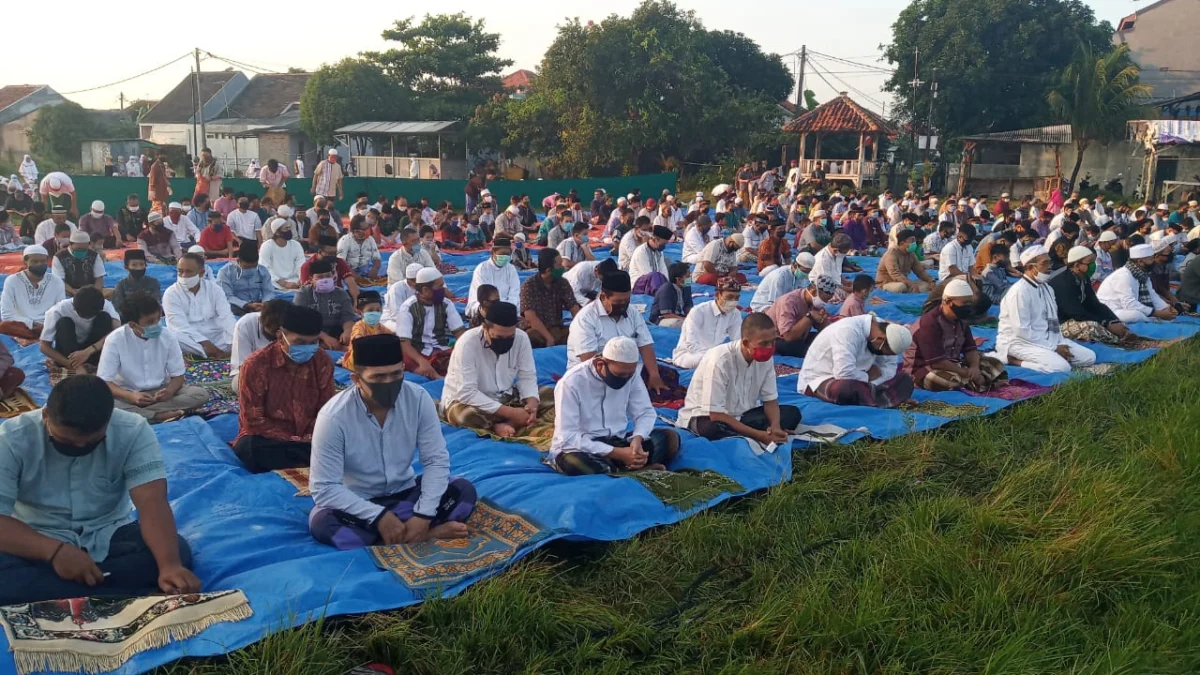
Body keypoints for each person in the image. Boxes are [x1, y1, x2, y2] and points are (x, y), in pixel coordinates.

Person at [0, 375, 200, 605]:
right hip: (35, 538)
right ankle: (119, 594)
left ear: (108, 421)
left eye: (91, 443)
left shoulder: (132, 430)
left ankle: (68, 595)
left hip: (107, 533)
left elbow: (152, 502)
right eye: (65, 442)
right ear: (45, 416)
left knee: (177, 554)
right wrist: (54, 552)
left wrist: (170, 566)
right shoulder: (12, 439)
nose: (79, 448)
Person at [310, 335, 474, 550]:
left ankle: (395, 537)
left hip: (406, 493)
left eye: (396, 374)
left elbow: (435, 460)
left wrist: (423, 515)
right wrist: (379, 517)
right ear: (356, 380)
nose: (389, 383)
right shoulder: (334, 417)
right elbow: (324, 488)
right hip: (359, 502)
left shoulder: (418, 398)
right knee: (322, 522)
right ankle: (425, 535)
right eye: (378, 378)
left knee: (462, 489)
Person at [548, 336, 680, 476]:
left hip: (618, 441)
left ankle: (621, 469)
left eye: (630, 374)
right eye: (620, 374)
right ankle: (629, 471)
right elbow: (568, 437)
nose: (625, 379)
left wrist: (637, 439)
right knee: (575, 463)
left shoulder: (631, 375)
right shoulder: (571, 383)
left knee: (669, 438)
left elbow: (645, 412)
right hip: (583, 447)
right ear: (600, 364)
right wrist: (616, 453)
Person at [234, 305, 336, 473]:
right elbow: (252, 420)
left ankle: (304, 459)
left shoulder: (322, 360)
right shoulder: (256, 365)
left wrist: (310, 436)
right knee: (249, 448)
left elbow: (326, 409)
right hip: (270, 439)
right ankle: (309, 461)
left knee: (348, 438)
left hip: (311, 437)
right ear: (281, 337)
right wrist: (294, 439)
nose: (307, 348)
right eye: (300, 342)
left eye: (313, 343)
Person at [676, 312, 800, 443]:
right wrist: (760, 436)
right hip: (709, 417)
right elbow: (715, 414)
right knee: (711, 428)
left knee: (792, 413)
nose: (770, 348)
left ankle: (760, 432)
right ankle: (757, 434)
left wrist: (776, 426)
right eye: (764, 344)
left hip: (743, 415)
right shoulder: (719, 360)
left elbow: (770, 401)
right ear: (746, 343)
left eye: (772, 342)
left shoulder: (766, 360)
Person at [442, 301, 555, 436]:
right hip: (469, 401)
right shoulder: (467, 343)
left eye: (510, 337)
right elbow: (467, 393)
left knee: (554, 395)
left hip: (506, 395)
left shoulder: (521, 338)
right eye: (499, 337)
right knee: (464, 416)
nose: (505, 341)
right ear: (485, 328)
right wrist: (511, 412)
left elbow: (527, 376)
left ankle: (511, 423)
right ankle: (500, 424)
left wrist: (532, 405)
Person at [98, 293, 208, 422]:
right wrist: (131, 396)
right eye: (150, 322)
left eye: (158, 318)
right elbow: (105, 382)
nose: (157, 324)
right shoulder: (115, 340)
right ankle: (159, 415)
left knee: (200, 394)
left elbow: (178, 377)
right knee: (101, 401)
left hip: (159, 392)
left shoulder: (169, 337)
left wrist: (169, 392)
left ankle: (142, 415)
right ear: (133, 325)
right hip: (127, 393)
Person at [996, 245, 1097, 373]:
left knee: (1089, 357)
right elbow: (1022, 330)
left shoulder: (1047, 288)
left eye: (1050, 262)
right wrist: (1054, 348)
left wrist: (1059, 343)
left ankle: (1051, 356)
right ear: (1030, 267)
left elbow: (1053, 321)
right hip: (1019, 342)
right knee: (1062, 368)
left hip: (1047, 340)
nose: (1050, 267)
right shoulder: (1019, 292)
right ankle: (1014, 361)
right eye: (1045, 263)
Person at [566, 271, 669, 391]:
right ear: (603, 297)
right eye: (618, 302)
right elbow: (589, 360)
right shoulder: (585, 319)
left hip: (625, 370)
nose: (623, 306)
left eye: (626, 301)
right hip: (594, 375)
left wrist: (654, 375)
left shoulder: (632, 313)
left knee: (666, 377)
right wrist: (621, 374)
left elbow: (645, 344)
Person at [905, 279, 1008, 392]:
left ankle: (976, 384)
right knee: (948, 380)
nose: (968, 307)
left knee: (995, 364)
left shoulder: (961, 319)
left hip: (955, 364)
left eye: (970, 302)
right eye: (965, 303)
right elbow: (937, 362)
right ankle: (981, 383)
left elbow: (970, 348)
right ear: (948, 302)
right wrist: (967, 373)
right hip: (925, 369)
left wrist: (974, 367)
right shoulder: (930, 322)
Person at [797, 314, 914, 408]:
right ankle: (885, 400)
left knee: (905, 379)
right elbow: (843, 373)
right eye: (883, 352)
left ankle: (873, 399)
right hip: (822, 379)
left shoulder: (885, 332)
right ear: (880, 340)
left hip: (860, 379)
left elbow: (889, 368)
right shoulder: (847, 331)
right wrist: (868, 377)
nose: (884, 355)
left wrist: (871, 383)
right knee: (847, 389)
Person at [1050, 246, 1134, 345]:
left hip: (1077, 317)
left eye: (1094, 261)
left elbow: (1095, 304)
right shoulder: (1063, 283)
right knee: (1092, 327)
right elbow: (1075, 312)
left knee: (1113, 322)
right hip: (1057, 324)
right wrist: (1105, 323)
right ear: (1077, 265)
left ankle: (1122, 334)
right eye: (1090, 262)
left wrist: (1113, 320)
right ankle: (1121, 342)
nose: (1094, 265)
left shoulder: (1083, 278)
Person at [163, 253, 237, 358]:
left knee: (240, 328)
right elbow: (179, 325)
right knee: (170, 336)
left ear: (201, 273)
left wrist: (237, 338)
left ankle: (212, 352)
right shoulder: (171, 293)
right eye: (180, 271)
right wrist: (206, 343)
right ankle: (214, 353)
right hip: (189, 339)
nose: (183, 276)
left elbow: (226, 316)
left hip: (216, 335)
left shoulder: (214, 289)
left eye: (188, 272)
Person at [397, 267, 465, 378]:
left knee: (461, 360)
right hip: (417, 353)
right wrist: (421, 362)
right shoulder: (408, 308)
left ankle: (436, 375)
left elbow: (460, 333)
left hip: (441, 350)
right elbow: (404, 343)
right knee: (404, 360)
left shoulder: (446, 304)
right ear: (425, 290)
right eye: (440, 287)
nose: (443, 289)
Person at [670, 278, 743, 369]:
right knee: (714, 362)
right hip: (689, 355)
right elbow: (691, 344)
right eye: (729, 297)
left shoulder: (735, 314)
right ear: (717, 295)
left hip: (715, 356)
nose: (733, 301)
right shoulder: (699, 311)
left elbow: (737, 340)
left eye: (737, 298)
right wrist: (715, 355)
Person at [1095, 243, 1177, 323]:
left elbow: (1152, 295)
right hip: (1111, 309)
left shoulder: (1144, 274)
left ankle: (1153, 319)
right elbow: (1129, 304)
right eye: (1151, 259)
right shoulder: (1123, 275)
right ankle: (1152, 320)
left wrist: (1166, 308)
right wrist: (1158, 313)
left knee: (1166, 315)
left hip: (1127, 308)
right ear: (1140, 262)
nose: (1154, 261)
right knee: (1136, 315)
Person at [1, 245, 66, 343]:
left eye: (43, 261)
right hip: (24, 326)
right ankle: (42, 340)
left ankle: (32, 340)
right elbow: (7, 314)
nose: (39, 264)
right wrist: (32, 324)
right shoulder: (12, 281)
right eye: (35, 261)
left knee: (67, 323)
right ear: (25, 262)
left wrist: (47, 325)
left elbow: (61, 309)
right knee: (4, 326)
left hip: (50, 325)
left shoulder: (56, 281)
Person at [39, 288, 117, 369]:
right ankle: (74, 364)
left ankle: (94, 364)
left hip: (93, 350)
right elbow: (44, 346)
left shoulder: (105, 305)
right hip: (68, 354)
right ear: (74, 308)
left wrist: (89, 351)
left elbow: (117, 333)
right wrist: (73, 365)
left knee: (105, 317)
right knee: (64, 322)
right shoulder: (57, 311)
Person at [520, 248, 582, 348]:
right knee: (529, 337)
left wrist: (582, 328)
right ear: (549, 270)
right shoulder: (529, 286)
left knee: (579, 336)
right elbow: (530, 317)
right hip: (537, 329)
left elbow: (574, 307)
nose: (563, 267)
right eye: (559, 265)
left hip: (557, 328)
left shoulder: (562, 283)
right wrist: (548, 338)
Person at [766, 274, 836, 357]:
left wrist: (823, 319)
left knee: (827, 341)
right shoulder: (789, 302)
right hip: (778, 339)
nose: (825, 303)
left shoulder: (814, 303)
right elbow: (788, 336)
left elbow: (823, 329)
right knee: (811, 351)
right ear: (813, 292)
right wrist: (809, 316)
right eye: (825, 300)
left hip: (800, 337)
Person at [294, 259, 357, 347]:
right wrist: (325, 337)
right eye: (320, 277)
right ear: (311, 279)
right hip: (311, 333)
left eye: (328, 276)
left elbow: (348, 318)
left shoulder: (341, 293)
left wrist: (347, 331)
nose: (325, 280)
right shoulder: (303, 294)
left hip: (336, 331)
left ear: (333, 276)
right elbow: (300, 321)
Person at [217, 242, 275, 316]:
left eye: (254, 267)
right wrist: (247, 305)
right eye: (246, 267)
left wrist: (265, 303)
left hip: (258, 304)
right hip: (237, 305)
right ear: (238, 261)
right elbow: (227, 296)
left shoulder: (262, 271)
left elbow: (268, 291)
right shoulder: (225, 273)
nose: (250, 270)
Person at [467, 237, 520, 317]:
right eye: (502, 254)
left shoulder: (511, 269)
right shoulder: (482, 269)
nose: (505, 257)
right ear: (493, 252)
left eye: (507, 254)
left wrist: (507, 308)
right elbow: (483, 296)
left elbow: (514, 293)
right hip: (487, 308)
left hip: (508, 309)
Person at [340, 291, 392, 371]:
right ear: (360, 312)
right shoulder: (359, 326)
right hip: (359, 360)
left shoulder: (380, 327)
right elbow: (358, 342)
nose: (375, 313)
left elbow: (391, 337)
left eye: (378, 310)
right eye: (370, 310)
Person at [750, 252, 815, 311]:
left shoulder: (799, 276)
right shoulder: (779, 276)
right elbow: (776, 304)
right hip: (764, 305)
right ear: (795, 266)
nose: (806, 274)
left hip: (785, 304)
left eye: (809, 272)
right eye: (805, 271)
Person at [50, 229, 105, 298]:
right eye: (79, 249)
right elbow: (60, 281)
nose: (82, 251)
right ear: (70, 244)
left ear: (89, 245)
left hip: (90, 290)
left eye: (84, 249)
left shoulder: (94, 255)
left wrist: (95, 293)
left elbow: (99, 278)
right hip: (68, 291)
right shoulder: (59, 257)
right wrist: (75, 293)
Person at [876, 229, 935, 293]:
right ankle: (911, 290)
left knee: (927, 284)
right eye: (911, 241)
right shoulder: (891, 254)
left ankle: (911, 290)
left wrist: (931, 281)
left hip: (904, 281)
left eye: (914, 240)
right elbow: (895, 274)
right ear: (902, 243)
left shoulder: (911, 254)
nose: (914, 243)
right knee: (901, 287)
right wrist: (911, 284)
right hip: (887, 282)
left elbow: (920, 271)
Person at [259, 219, 306, 291]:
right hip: (274, 282)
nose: (289, 230)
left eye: (289, 228)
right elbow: (264, 268)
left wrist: (300, 280)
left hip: (295, 281)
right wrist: (284, 283)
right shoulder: (267, 246)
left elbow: (301, 264)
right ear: (277, 232)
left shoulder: (296, 244)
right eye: (286, 228)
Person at [111, 249, 160, 316]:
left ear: (146, 265)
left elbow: (157, 304)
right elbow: (117, 308)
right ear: (126, 267)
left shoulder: (153, 283)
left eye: (141, 264)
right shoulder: (121, 285)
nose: (138, 268)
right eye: (134, 265)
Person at [628, 225, 673, 295]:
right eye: (663, 243)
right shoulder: (641, 252)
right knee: (655, 275)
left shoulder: (659, 251)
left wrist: (667, 285)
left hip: (655, 282)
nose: (664, 246)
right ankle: (661, 296)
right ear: (655, 240)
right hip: (639, 284)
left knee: (677, 270)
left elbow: (663, 269)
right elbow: (647, 274)